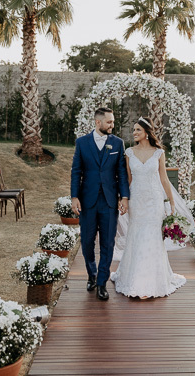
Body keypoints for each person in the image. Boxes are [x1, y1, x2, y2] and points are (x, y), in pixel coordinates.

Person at [111, 117, 189, 299]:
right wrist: (123, 199)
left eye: (138, 130)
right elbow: (128, 179)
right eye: (134, 130)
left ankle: (151, 280)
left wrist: (171, 201)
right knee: (137, 234)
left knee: (153, 236)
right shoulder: (129, 153)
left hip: (154, 200)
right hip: (136, 199)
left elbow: (164, 179)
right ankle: (135, 278)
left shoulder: (158, 153)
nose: (134, 133)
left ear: (147, 132)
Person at [70, 107, 130, 301]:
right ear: (98, 122)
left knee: (108, 243)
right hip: (87, 201)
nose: (113, 125)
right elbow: (76, 171)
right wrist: (74, 197)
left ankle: (102, 283)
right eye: (109, 122)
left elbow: (121, 172)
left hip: (110, 201)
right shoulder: (82, 143)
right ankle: (92, 274)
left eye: (113, 122)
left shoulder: (118, 143)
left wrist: (124, 197)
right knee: (87, 242)